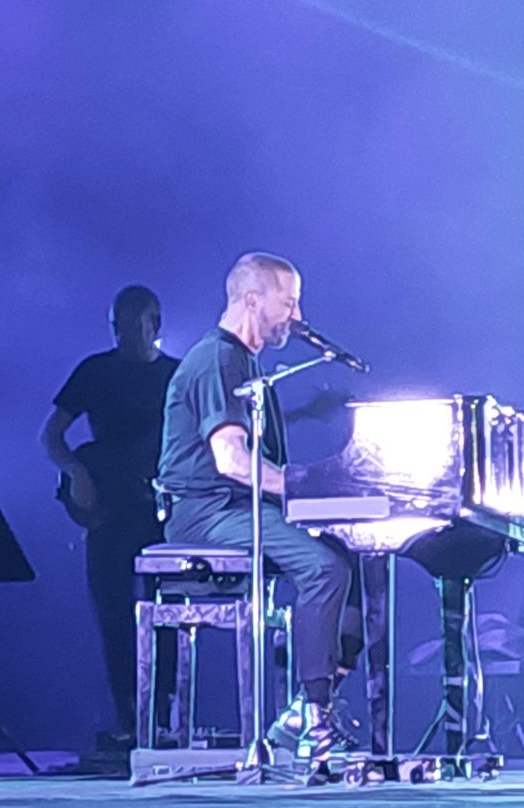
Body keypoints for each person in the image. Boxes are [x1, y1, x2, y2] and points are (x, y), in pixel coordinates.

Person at [156, 252, 363, 760]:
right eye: (288, 303)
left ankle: (305, 706)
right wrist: (301, 487)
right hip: (206, 512)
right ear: (252, 300)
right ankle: (315, 718)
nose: (297, 316)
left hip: (237, 507)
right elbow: (230, 460)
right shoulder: (217, 358)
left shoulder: (244, 362)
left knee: (353, 554)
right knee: (322, 568)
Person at [41, 285, 179, 743]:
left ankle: (163, 717)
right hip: (107, 512)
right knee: (113, 615)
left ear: (155, 323)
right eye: (117, 327)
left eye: (133, 327)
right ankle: (127, 719)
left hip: (158, 511)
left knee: (167, 614)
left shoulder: (177, 377)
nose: (124, 336)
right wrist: (76, 471)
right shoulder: (95, 370)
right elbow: (52, 435)